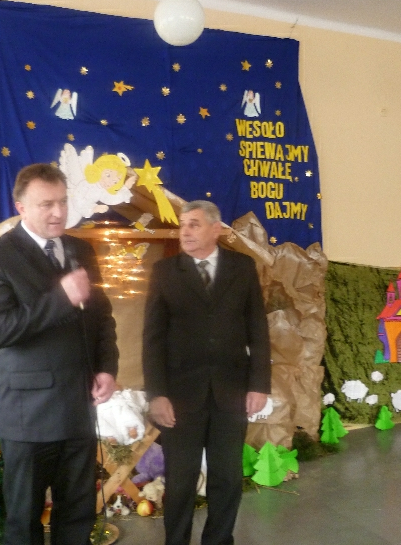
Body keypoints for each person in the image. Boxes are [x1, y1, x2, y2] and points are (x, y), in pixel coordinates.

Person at [0, 164, 119, 545]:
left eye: (63, 202)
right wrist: (61, 298)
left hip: (78, 409)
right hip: (29, 417)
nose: (58, 212)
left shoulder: (81, 250)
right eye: (46, 204)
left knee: (78, 517)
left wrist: (107, 368)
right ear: (20, 207)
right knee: (24, 522)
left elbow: (102, 317)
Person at [143, 200, 270, 545]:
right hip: (180, 396)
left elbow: (258, 328)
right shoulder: (165, 272)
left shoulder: (242, 268)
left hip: (231, 392)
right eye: (183, 224)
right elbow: (152, 339)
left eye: (194, 224)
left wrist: (259, 384)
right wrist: (157, 394)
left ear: (216, 229)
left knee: (226, 478)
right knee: (180, 480)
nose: (185, 232)